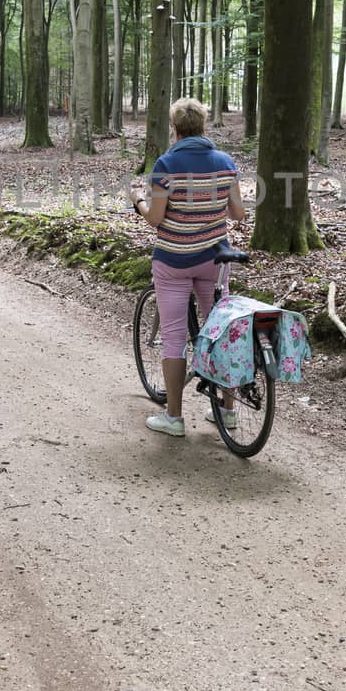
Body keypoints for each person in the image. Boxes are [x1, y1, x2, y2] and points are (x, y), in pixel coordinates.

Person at [130, 98, 245, 438]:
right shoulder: (225, 163)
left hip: (174, 262)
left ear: (175, 128)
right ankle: (227, 411)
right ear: (204, 126)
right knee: (220, 330)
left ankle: (174, 418)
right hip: (213, 260)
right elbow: (238, 213)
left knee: (175, 337)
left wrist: (138, 201)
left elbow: (155, 218)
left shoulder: (167, 164)